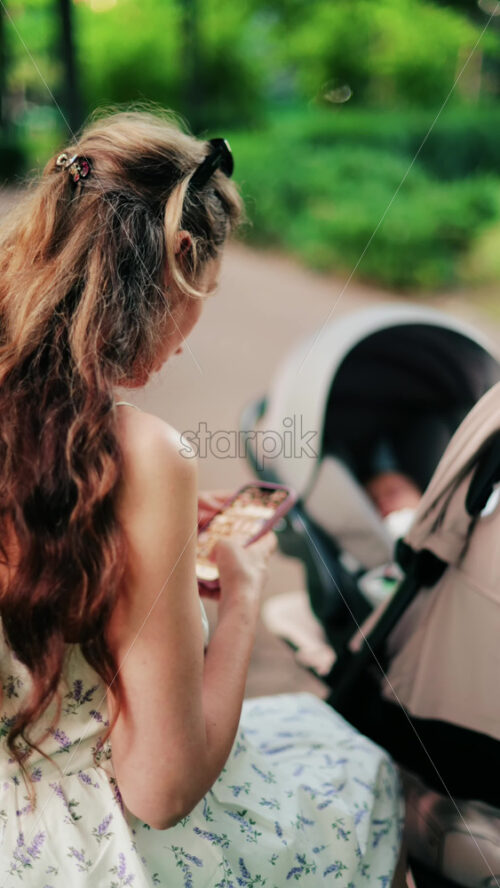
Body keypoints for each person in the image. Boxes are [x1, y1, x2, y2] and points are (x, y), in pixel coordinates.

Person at [0, 109, 405, 887]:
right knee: (359, 769)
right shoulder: (142, 453)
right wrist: (244, 597)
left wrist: (144, 540)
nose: (186, 340)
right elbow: (161, 788)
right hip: (84, 852)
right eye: (203, 298)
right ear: (181, 256)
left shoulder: (56, 450)